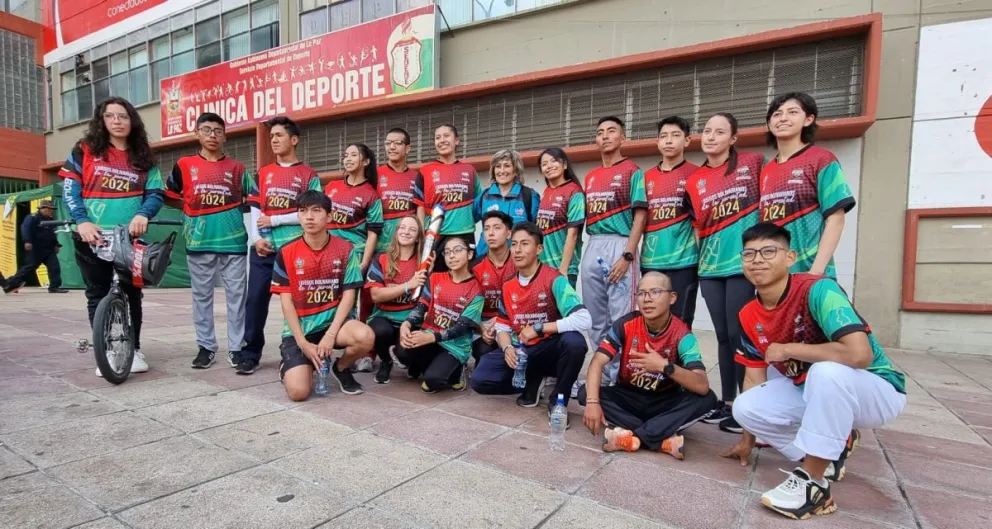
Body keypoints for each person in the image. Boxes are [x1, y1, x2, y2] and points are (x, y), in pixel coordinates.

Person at [721, 223, 906, 520]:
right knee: (745, 407)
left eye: (769, 251)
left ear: (790, 257)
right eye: (749, 254)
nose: (757, 260)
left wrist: (789, 348)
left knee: (826, 372)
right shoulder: (748, 314)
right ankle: (829, 451)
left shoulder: (818, 289)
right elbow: (754, 377)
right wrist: (748, 440)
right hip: (813, 390)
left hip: (876, 389)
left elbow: (859, 354)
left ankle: (814, 486)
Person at [59, 97, 165, 376]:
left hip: (129, 237)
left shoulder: (144, 157)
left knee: (133, 294)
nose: (117, 121)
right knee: (96, 294)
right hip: (89, 237)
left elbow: (155, 194)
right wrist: (81, 221)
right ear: (101, 120)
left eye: (123, 116)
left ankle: (135, 348)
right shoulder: (84, 151)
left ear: (133, 121)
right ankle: (105, 350)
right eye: (110, 116)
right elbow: (69, 191)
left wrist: (143, 215)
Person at [579, 272, 717, 458]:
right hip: (629, 397)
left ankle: (633, 436)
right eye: (642, 293)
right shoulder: (626, 324)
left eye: (655, 292)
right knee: (585, 392)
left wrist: (665, 367)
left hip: (665, 400)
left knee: (708, 399)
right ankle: (661, 438)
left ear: (672, 298)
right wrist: (593, 403)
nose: (647, 299)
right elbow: (597, 362)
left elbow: (701, 384)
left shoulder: (682, 334)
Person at [684, 112, 764, 433]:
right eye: (707, 131)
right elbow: (695, 228)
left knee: (738, 333)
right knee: (721, 335)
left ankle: (751, 405)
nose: (711, 137)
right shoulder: (694, 181)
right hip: (710, 266)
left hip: (743, 265)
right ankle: (728, 402)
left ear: (733, 139)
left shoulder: (753, 164)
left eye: (720, 132)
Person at [472, 222, 590, 415]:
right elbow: (502, 325)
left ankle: (558, 401)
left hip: (548, 349)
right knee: (480, 379)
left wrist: (539, 327)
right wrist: (507, 347)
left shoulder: (554, 279)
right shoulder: (508, 285)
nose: (518, 250)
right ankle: (533, 380)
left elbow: (584, 318)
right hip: (522, 352)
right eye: (514, 244)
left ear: (539, 249)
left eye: (525, 244)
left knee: (575, 342)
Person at [165, 112, 252, 370]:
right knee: (201, 297)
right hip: (198, 241)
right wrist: (190, 207)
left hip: (234, 243)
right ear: (197, 133)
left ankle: (236, 348)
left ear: (225, 135)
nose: (212, 135)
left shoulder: (238, 169)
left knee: (237, 297)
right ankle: (205, 347)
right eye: (206, 130)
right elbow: (168, 195)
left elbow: (255, 199)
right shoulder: (183, 164)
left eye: (217, 130)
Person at [272, 190, 375, 401]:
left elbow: (349, 295)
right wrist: (302, 343)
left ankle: (341, 367)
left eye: (316, 211)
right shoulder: (286, 252)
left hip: (334, 327)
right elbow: (286, 302)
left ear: (329, 216)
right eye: (303, 211)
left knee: (365, 336)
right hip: (302, 330)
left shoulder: (346, 249)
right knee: (299, 393)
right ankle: (294, 363)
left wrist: (330, 335)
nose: (309, 216)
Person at [242, 116, 323, 375]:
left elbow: (311, 211)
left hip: (296, 250)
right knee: (255, 300)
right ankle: (250, 353)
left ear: (294, 139)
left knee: (300, 304)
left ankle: (295, 351)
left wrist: (275, 218)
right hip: (265, 249)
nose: (274, 140)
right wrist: (256, 239)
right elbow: (255, 207)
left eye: (279, 135)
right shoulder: (263, 173)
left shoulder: (309, 175)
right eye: (272, 136)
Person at [761, 92, 856, 276]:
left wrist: (816, 271)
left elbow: (836, 219)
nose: (783, 118)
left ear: (808, 119)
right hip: (773, 275)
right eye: (777, 114)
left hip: (810, 271)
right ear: (769, 124)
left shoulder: (822, 160)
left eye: (792, 112)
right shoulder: (766, 169)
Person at [581, 116, 647, 349]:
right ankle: (603, 370)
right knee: (594, 316)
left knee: (620, 316)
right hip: (594, 244)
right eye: (600, 132)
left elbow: (640, 215)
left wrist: (628, 254)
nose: (605, 136)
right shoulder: (590, 177)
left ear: (622, 137)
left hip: (620, 244)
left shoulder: (633, 171)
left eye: (611, 131)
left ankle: (619, 374)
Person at [397, 235, 484, 393]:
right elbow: (422, 305)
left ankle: (456, 372)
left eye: (457, 251)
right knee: (401, 349)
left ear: (469, 254)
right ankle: (430, 367)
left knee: (433, 381)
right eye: (447, 252)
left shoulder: (476, 291)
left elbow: (461, 327)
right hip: (430, 337)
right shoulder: (436, 277)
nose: (451, 256)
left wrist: (431, 337)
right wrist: (407, 323)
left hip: (454, 346)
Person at [325, 143, 383, 371]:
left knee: (358, 305)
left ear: (366, 161)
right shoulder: (332, 187)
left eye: (353, 155)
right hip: (329, 254)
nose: (347, 159)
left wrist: (364, 262)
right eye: (345, 154)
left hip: (354, 256)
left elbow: (373, 232)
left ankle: (357, 352)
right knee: (327, 301)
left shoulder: (371, 194)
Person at [641, 116, 699, 328]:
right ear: (657, 142)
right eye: (663, 136)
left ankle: (678, 362)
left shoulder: (696, 174)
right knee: (651, 320)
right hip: (650, 262)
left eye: (675, 135)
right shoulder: (644, 178)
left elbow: (699, 223)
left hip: (685, 263)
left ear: (687, 140)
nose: (668, 141)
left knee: (681, 322)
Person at [365, 215, 429, 384]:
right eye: (402, 228)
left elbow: (427, 299)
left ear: (417, 238)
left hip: (410, 320)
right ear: (396, 232)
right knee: (379, 331)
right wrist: (408, 285)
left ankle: (411, 362)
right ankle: (385, 361)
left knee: (406, 354)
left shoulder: (424, 264)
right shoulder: (381, 259)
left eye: (412, 229)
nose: (406, 232)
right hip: (384, 317)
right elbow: (376, 295)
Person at [413, 124, 482, 272]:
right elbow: (420, 207)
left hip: (464, 234)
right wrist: (421, 237)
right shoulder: (425, 171)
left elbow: (478, 203)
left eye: (446, 136)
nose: (442, 140)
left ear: (456, 140)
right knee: (434, 279)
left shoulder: (469, 170)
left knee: (466, 278)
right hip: (435, 236)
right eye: (437, 137)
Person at [470, 211, 517, 365]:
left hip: (515, 322)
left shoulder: (520, 263)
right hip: (484, 324)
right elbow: (467, 308)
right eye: (487, 228)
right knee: (484, 353)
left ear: (509, 233)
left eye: (497, 228)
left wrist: (501, 322)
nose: (491, 233)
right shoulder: (475, 267)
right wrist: (482, 329)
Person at [473, 149, 540, 255]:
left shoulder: (529, 196)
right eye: (498, 166)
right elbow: (466, 222)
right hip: (485, 261)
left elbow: (538, 232)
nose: (502, 171)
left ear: (515, 171)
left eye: (507, 166)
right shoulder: (484, 196)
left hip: (517, 261)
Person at [536, 148, 585, 287]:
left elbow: (573, 234)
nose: (549, 166)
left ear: (564, 165)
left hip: (563, 270)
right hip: (544, 268)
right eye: (544, 164)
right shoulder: (546, 192)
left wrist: (562, 270)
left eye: (554, 161)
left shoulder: (574, 192)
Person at [4, 199, 66, 294]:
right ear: (42, 208)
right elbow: (26, 229)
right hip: (36, 249)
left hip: (49, 249)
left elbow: (51, 234)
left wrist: (56, 244)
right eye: (49, 209)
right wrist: (27, 241)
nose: (51, 211)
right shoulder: (33, 217)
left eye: (52, 209)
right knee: (28, 268)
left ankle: (54, 287)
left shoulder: (50, 220)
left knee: (54, 267)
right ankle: (10, 284)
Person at [377, 127, 424, 252]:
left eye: (397, 143)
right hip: (381, 247)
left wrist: (420, 238)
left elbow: (420, 209)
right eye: (388, 143)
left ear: (408, 148)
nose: (391, 147)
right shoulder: (375, 175)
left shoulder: (417, 177)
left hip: (407, 248)